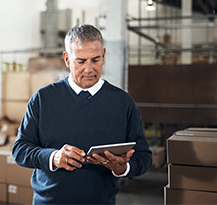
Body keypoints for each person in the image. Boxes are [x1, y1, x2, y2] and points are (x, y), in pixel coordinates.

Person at [12, 24, 152, 205]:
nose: (89, 69)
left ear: (103, 55)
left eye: (95, 60)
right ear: (67, 59)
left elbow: (144, 157)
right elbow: (20, 150)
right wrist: (53, 157)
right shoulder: (43, 99)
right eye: (81, 61)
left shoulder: (123, 103)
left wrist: (123, 168)